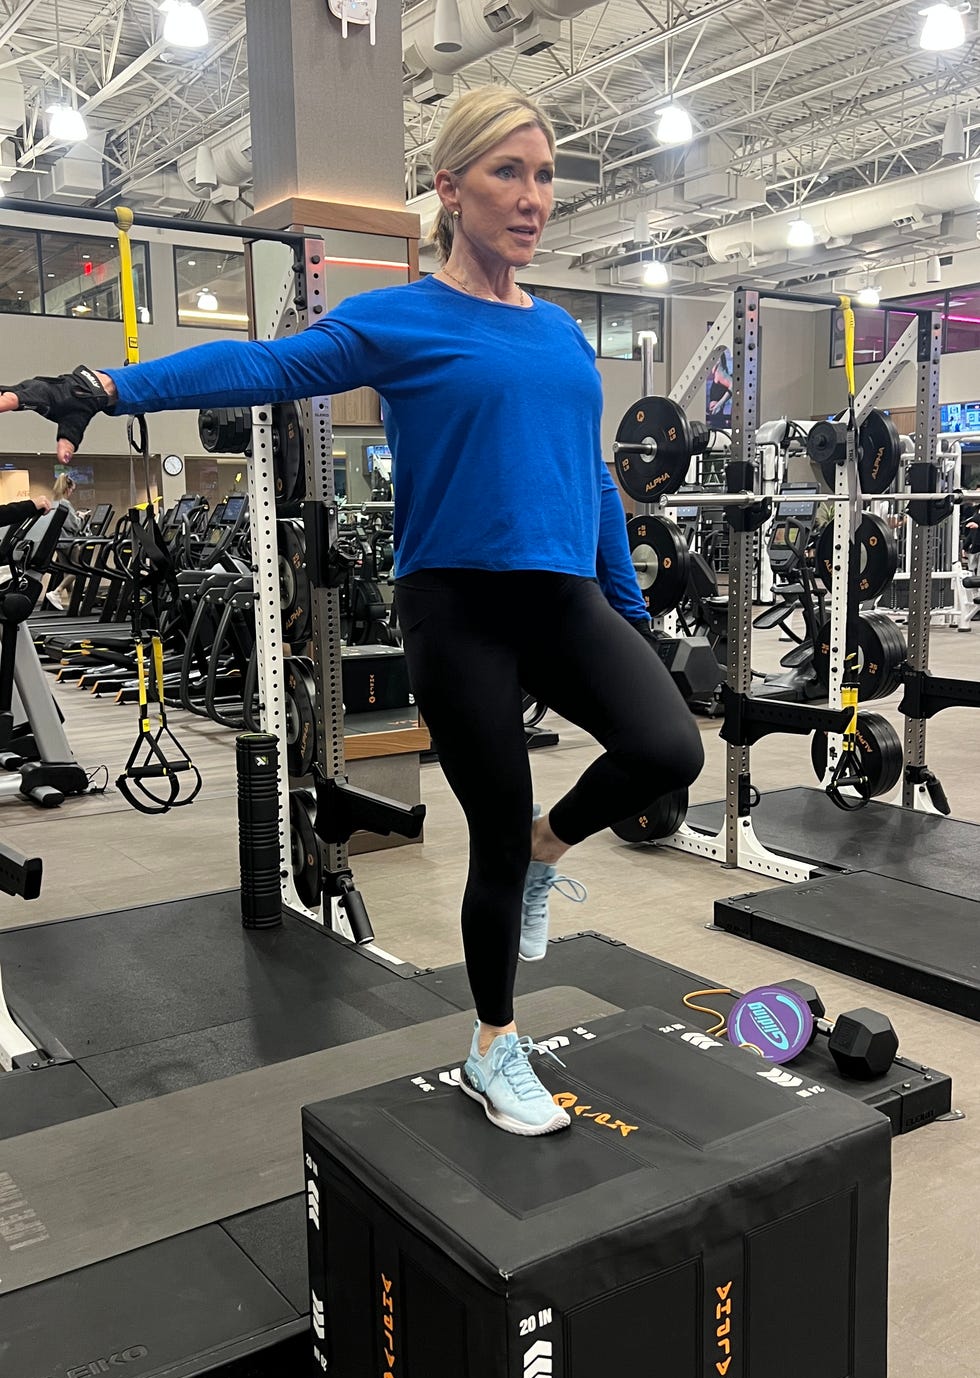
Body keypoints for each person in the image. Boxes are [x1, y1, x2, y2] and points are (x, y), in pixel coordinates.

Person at [0, 86, 704, 1138]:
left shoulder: (560, 334)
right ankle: (492, 1048)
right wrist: (112, 383)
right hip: (456, 604)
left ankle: (550, 853)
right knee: (491, 843)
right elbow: (266, 367)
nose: (531, 198)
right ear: (450, 188)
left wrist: (627, 607)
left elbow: (593, 480)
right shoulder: (400, 318)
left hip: (560, 596)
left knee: (664, 747)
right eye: (508, 173)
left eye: (545, 175)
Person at [45, 473, 85, 608]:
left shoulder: (53, 503)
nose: (71, 493)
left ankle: (74, 602)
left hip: (59, 541)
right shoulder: (65, 503)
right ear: (67, 489)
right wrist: (80, 517)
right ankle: (57, 592)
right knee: (78, 569)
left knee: (68, 571)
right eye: (72, 490)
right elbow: (74, 525)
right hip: (70, 541)